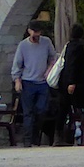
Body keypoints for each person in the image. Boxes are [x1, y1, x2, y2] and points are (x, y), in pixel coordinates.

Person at [11, 19, 57, 147]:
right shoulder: (23, 46)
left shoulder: (46, 42)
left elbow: (53, 57)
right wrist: (17, 80)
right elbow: (17, 64)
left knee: (41, 110)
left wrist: (49, 70)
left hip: (42, 82)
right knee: (28, 112)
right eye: (33, 33)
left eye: (38, 33)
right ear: (29, 31)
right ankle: (28, 140)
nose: (36, 36)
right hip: (28, 82)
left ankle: (36, 137)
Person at [55, 24, 84, 144]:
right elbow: (72, 65)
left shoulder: (69, 46)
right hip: (76, 83)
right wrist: (72, 82)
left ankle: (59, 136)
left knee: (64, 109)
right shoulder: (77, 47)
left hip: (67, 83)